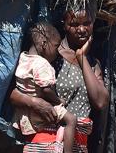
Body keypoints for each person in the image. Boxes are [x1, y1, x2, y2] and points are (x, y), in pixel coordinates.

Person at [10, 7, 109, 153]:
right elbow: (13, 94)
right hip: (44, 142)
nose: (81, 29)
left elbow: (100, 102)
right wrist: (34, 103)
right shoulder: (49, 57)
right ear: (64, 24)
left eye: (87, 23)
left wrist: (81, 57)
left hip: (77, 145)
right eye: (74, 24)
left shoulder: (93, 63)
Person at [12, 22, 77, 153]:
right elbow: (46, 90)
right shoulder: (43, 64)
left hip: (23, 113)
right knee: (71, 120)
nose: (58, 52)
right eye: (56, 46)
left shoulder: (23, 58)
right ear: (43, 44)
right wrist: (59, 100)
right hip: (40, 109)